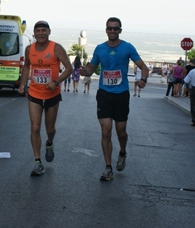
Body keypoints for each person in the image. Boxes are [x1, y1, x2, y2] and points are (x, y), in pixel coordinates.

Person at [79, 17, 149, 181]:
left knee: (121, 131)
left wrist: (143, 80)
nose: (112, 31)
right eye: (110, 28)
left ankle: (122, 152)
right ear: (106, 30)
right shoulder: (100, 49)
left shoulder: (127, 47)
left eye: (115, 29)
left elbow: (143, 67)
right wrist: (86, 71)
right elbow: (92, 67)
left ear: (120, 31)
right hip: (104, 93)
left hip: (121, 94)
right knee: (106, 130)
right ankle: (108, 168)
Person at [18, 20, 73, 176]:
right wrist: (23, 84)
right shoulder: (30, 49)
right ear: (34, 33)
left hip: (52, 94)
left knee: (50, 129)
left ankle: (49, 143)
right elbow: (27, 66)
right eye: (38, 31)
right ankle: (37, 161)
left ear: (49, 32)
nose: (41, 33)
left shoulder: (56, 48)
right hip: (34, 93)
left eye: (44, 30)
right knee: (35, 127)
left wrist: (56, 82)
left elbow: (69, 69)